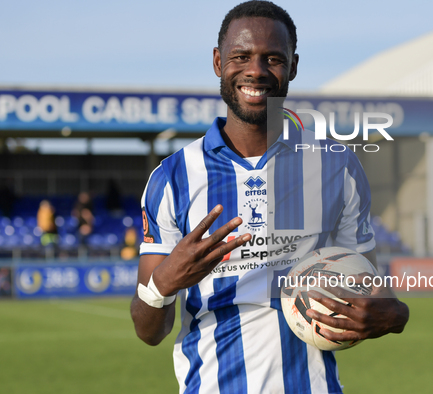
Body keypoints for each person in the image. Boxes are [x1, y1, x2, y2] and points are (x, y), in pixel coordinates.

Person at [130, 2, 409, 393]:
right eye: (241, 56)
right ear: (217, 62)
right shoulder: (173, 178)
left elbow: (371, 290)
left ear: (293, 66)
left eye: (273, 59)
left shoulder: (336, 165)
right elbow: (149, 332)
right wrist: (162, 285)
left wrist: (394, 315)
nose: (256, 71)